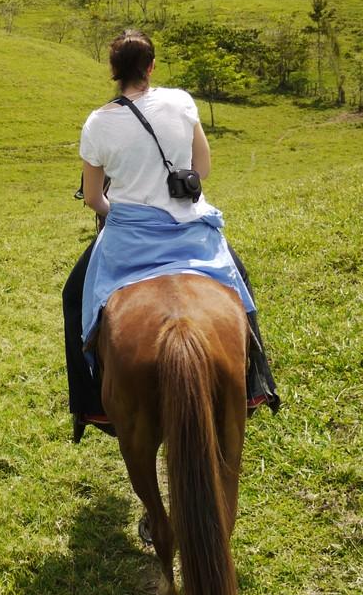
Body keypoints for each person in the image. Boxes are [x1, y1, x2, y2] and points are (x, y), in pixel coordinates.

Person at [62, 29, 280, 443]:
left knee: (73, 297)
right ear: (151, 66)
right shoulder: (181, 102)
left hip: (129, 235)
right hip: (190, 228)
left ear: (113, 71)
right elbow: (203, 168)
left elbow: (93, 198)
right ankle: (254, 386)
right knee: (240, 283)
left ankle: (89, 403)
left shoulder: (97, 124)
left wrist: (119, 214)